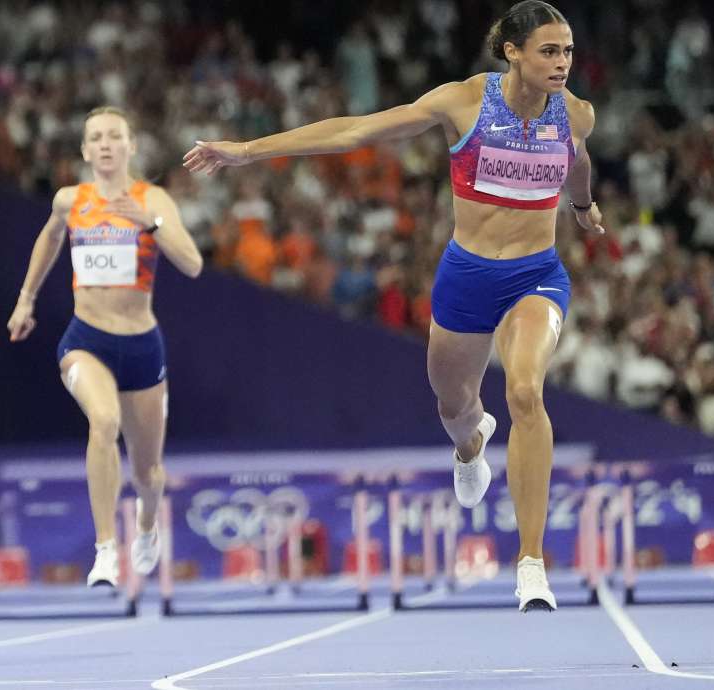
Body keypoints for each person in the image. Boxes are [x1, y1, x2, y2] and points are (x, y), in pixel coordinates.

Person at [183, 0, 603, 611]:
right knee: (453, 404)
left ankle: (531, 563)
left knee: (524, 392)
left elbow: (579, 161)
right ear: (512, 52)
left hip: (535, 277)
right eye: (549, 50)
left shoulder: (576, 113)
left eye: (567, 51)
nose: (562, 62)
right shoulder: (462, 103)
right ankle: (469, 445)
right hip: (467, 277)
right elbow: (356, 131)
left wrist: (583, 206)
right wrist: (246, 151)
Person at [7, 106, 203, 588]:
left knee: (148, 472)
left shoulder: (152, 198)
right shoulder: (69, 200)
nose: (106, 145)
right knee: (103, 421)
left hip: (141, 347)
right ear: (85, 150)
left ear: (130, 146)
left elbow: (193, 264)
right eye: (96, 138)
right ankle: (105, 550)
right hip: (86, 339)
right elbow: (49, 240)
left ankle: (147, 524)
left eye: (115, 136)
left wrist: (151, 223)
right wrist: (26, 299)